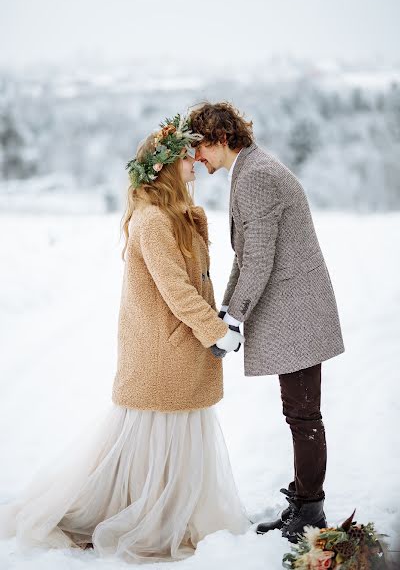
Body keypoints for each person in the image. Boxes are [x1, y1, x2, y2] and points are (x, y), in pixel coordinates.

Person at [0, 113, 248, 563]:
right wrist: (216, 330)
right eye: (186, 157)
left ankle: (176, 512)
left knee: (176, 442)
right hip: (164, 352)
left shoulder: (179, 217)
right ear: (167, 167)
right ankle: (150, 519)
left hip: (182, 351)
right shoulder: (152, 222)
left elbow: (199, 280)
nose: (196, 161)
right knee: (156, 442)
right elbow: (176, 290)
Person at [189, 102, 345, 543]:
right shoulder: (250, 169)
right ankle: (304, 498)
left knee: (303, 413)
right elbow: (247, 255)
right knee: (298, 411)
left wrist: (235, 319)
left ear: (219, 139)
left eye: (199, 148)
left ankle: (311, 510)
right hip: (295, 310)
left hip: (298, 313)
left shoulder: (256, 176)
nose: (197, 159)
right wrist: (226, 310)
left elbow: (259, 259)